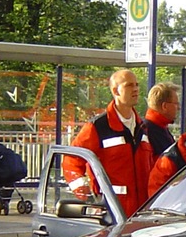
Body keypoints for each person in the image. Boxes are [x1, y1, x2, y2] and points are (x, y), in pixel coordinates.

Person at [63, 69, 154, 216]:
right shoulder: (97, 127)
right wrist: (88, 197)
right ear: (115, 91)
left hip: (142, 212)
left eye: (137, 85)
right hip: (111, 213)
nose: (136, 89)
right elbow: (71, 161)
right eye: (129, 85)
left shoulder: (142, 126)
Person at [143, 81, 180, 156]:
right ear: (164, 106)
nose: (179, 108)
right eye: (176, 104)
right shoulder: (150, 131)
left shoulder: (159, 127)